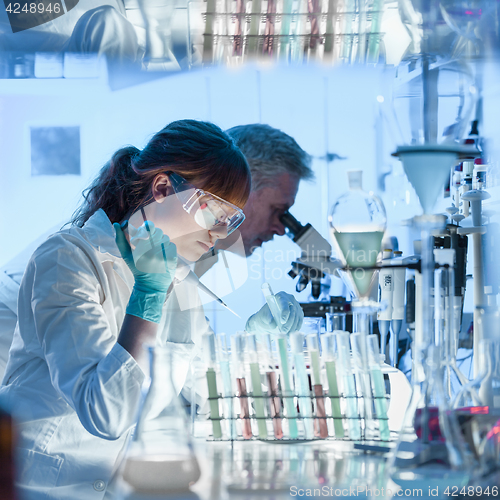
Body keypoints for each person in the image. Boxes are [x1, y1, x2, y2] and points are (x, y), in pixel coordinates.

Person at [0, 119, 303, 500]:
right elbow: (106, 414)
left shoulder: (179, 281)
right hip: (47, 489)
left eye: (230, 220)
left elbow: (208, 392)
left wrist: (253, 347)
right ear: (162, 189)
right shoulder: (68, 258)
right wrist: (147, 296)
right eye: (214, 213)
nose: (221, 235)